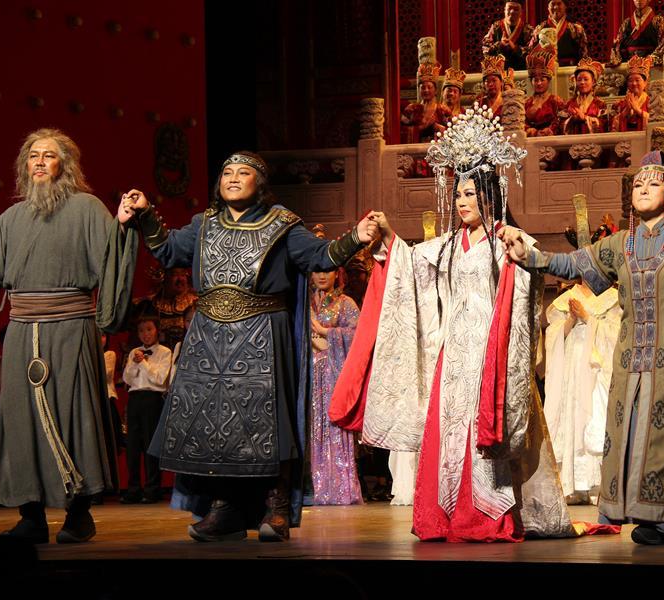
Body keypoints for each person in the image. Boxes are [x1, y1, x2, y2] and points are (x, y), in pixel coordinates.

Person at [331, 106, 574, 542]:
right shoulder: (445, 246)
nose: (462, 201)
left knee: (484, 427)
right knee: (448, 430)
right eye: (458, 194)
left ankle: (488, 516)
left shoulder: (508, 240)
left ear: (489, 196)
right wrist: (388, 236)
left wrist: (521, 252)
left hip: (490, 351)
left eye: (470, 194)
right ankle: (444, 515)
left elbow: (529, 277)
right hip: (453, 350)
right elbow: (409, 267)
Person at [118, 151, 377, 542]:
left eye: (243, 172)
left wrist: (356, 236)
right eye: (227, 172)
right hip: (209, 335)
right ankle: (225, 509)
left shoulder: (282, 224)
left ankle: (275, 506)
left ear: (261, 183)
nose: (233, 178)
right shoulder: (204, 224)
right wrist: (145, 214)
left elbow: (318, 256)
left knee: (267, 421)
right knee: (214, 424)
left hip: (261, 331)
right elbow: (168, 249)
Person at [500, 150, 664, 545]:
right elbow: (574, 264)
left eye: (653, 183)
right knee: (628, 436)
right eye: (638, 184)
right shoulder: (620, 244)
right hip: (629, 359)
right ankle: (637, 513)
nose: (643, 189)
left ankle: (662, 522)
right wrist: (531, 257)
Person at [0, 128, 137, 544]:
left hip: (71, 329)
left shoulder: (86, 208)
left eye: (49, 155)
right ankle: (31, 516)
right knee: (22, 421)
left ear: (66, 165)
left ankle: (79, 514)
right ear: (24, 166)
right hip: (21, 334)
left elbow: (111, 255)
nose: (40, 161)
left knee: (73, 415)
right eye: (33, 155)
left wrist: (122, 227)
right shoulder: (12, 218)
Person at [544, 281, 620, 505]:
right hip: (571, 369)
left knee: (595, 416)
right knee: (571, 416)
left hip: (597, 368)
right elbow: (552, 337)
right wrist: (571, 319)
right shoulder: (565, 299)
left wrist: (588, 318)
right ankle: (573, 485)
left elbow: (618, 335)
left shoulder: (612, 298)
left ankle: (599, 485)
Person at [308, 268, 362, 505]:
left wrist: (325, 332)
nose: (322, 276)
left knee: (333, 425)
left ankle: (340, 488)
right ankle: (311, 487)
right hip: (309, 373)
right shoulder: (306, 304)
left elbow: (359, 334)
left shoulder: (345, 302)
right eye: (316, 271)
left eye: (327, 271)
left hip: (333, 372)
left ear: (337, 274)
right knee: (310, 426)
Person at [121, 317, 171, 504]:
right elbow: (127, 379)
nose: (145, 334)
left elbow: (159, 379)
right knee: (132, 446)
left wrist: (143, 363)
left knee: (151, 444)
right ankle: (133, 489)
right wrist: (134, 362)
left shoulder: (165, 352)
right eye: (141, 330)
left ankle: (152, 489)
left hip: (153, 399)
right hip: (135, 399)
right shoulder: (134, 352)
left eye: (149, 329)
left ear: (157, 330)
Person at [401, 62, 452, 144]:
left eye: (429, 87)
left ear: (435, 90)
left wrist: (441, 129)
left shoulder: (443, 110)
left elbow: (452, 132)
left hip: (437, 148)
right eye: (423, 87)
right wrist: (421, 128)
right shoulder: (411, 109)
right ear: (419, 90)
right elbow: (401, 131)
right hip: (416, 148)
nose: (426, 90)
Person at [531, 0, 588, 67]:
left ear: (565, 6)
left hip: (569, 68)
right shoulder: (540, 28)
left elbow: (583, 53)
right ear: (548, 7)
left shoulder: (575, 28)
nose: (555, 7)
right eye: (553, 4)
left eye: (559, 4)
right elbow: (532, 51)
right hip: (547, 70)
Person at [481, 1, 535, 72]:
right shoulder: (496, 27)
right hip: (499, 72)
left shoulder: (528, 29)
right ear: (504, 10)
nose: (512, 12)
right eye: (509, 8)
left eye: (516, 9)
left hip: (520, 71)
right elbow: (486, 49)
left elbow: (532, 52)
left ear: (521, 12)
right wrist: (500, 44)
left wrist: (515, 48)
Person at [610, 0, 664, 66]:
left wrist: (650, 59)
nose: (639, 1)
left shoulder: (657, 21)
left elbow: (663, 44)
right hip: (629, 63)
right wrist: (617, 59)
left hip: (649, 64)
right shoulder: (627, 22)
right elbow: (618, 45)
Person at [524, 47, 564, 137]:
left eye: (542, 80)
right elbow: (521, 122)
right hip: (531, 139)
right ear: (531, 82)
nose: (539, 83)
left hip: (550, 139)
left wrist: (550, 129)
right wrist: (531, 131)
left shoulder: (556, 101)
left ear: (548, 81)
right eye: (536, 80)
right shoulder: (526, 103)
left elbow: (561, 120)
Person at [563, 58, 607, 136]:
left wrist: (584, 118)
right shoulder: (569, 104)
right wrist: (572, 119)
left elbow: (604, 126)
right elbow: (561, 126)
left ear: (593, 82)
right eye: (579, 80)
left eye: (586, 79)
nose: (582, 82)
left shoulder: (600, 104)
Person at [611, 55, 652, 134]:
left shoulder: (651, 102)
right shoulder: (620, 104)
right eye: (630, 81)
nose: (634, 83)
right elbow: (613, 127)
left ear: (645, 83)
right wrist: (626, 111)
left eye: (637, 80)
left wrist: (638, 111)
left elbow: (656, 122)